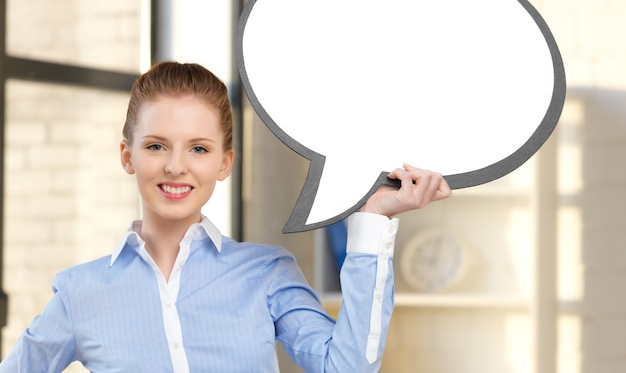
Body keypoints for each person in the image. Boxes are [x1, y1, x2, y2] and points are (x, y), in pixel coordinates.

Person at [0, 61, 451, 372]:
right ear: (127, 156)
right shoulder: (81, 293)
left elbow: (348, 367)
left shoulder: (266, 274)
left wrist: (372, 220)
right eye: (156, 145)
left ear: (224, 163)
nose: (176, 166)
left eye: (198, 148)